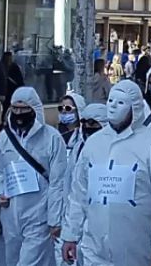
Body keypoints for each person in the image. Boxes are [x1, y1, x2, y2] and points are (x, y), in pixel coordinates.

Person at [62, 80, 151, 266]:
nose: (113, 107)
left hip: (137, 247)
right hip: (95, 247)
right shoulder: (94, 144)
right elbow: (78, 194)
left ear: (135, 108)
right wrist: (70, 234)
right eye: (110, 101)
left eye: (120, 103)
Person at [0, 87, 67, 266]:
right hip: (10, 214)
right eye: (15, 109)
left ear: (34, 109)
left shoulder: (52, 138)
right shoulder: (3, 138)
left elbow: (58, 181)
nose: (19, 113)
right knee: (14, 260)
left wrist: (55, 218)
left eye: (23, 109)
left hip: (38, 213)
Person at [55, 103, 106, 266]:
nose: (87, 127)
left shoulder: (113, 150)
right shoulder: (78, 148)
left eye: (93, 123)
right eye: (84, 122)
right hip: (76, 216)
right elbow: (71, 186)